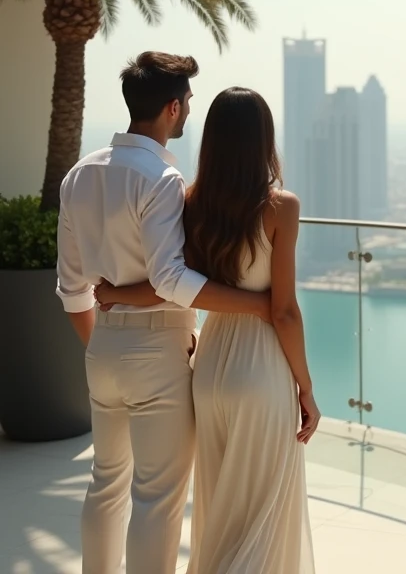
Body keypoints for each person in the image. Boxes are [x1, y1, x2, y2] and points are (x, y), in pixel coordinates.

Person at [56, 53, 273, 574]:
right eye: (189, 103)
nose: (189, 112)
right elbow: (170, 278)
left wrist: (105, 345)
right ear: (173, 108)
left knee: (105, 484)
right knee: (156, 496)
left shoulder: (78, 176)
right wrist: (257, 304)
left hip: (102, 347)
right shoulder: (162, 178)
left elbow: (71, 287)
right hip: (158, 354)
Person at [96, 86, 319, 574]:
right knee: (262, 520)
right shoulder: (281, 207)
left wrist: (115, 294)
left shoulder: (191, 201)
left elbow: (170, 284)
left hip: (210, 369)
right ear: (265, 139)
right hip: (260, 374)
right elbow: (283, 312)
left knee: (220, 513)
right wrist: (305, 387)